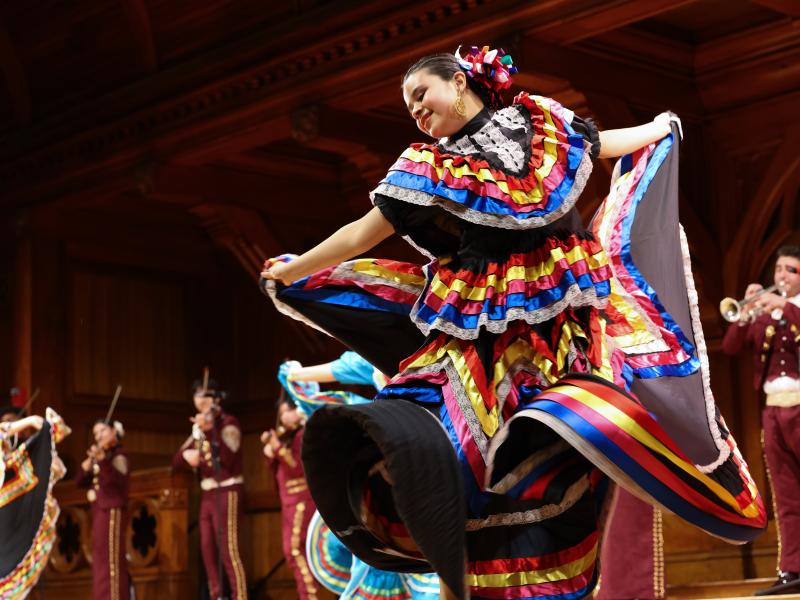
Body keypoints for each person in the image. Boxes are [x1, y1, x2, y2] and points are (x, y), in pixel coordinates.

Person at [261, 45, 766, 599]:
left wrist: (658, 127)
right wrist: (296, 269)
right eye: (409, 108)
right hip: (483, 331)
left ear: (457, 82)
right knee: (457, 450)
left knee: (563, 454)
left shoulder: (541, 122)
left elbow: (600, 145)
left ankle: (544, 576)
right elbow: (361, 232)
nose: (416, 111)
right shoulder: (429, 167)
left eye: (420, 95)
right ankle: (454, 571)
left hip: (565, 329)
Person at [286, 353, 440, 599]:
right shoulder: (377, 356)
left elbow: (349, 366)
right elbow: (349, 366)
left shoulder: (424, 347)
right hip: (403, 458)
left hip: (432, 460)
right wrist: (293, 373)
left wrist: (293, 374)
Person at [722, 244, 800, 596]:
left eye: (791, 270)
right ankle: (793, 569)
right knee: (786, 496)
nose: (782, 276)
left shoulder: (791, 311)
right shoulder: (768, 316)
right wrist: (746, 311)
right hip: (773, 410)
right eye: (780, 269)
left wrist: (785, 307)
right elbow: (731, 347)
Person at [172, 378, 247, 600]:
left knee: (229, 550)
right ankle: (216, 596)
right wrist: (187, 455)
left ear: (215, 398)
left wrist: (210, 428)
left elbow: (228, 458)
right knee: (207, 549)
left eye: (206, 394)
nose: (201, 399)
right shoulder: (199, 429)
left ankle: (239, 596)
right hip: (207, 494)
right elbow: (176, 461)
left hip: (228, 491)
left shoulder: (228, 422)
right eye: (197, 395)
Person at [0, 409, 70, 597]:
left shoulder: (23, 454)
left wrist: (37, 428)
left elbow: (52, 469)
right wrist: (26, 421)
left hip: (14, 517)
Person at [262, 393, 320, 600]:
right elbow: (281, 470)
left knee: (296, 550)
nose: (284, 418)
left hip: (301, 501)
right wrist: (272, 453)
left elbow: (297, 468)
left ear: (298, 409)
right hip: (289, 502)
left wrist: (277, 447)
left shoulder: (304, 433)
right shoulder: (291, 435)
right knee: (294, 552)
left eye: (286, 411)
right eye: (281, 414)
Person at [77, 419, 131, 600]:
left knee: (112, 563)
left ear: (114, 432)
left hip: (113, 511)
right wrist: (86, 468)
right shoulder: (101, 456)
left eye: (102, 431)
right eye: (95, 433)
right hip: (100, 512)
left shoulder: (118, 455)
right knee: (100, 563)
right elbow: (80, 482)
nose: (98, 436)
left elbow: (116, 482)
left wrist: (102, 461)